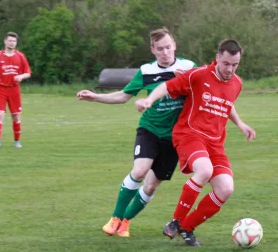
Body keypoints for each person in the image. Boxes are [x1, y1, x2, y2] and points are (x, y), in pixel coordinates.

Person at [77, 28, 197, 238]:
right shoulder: (147, 71)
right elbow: (124, 96)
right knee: (140, 171)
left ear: (175, 45)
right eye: (160, 49)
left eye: (168, 47)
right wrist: (95, 97)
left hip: (174, 137)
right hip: (149, 129)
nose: (165, 52)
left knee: (150, 186)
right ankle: (115, 218)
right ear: (152, 50)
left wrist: (189, 80)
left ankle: (126, 221)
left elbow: (204, 90)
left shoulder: (188, 67)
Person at [135, 39, 256, 247]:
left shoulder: (237, 83)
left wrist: (241, 124)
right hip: (189, 134)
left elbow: (226, 104)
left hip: (215, 143)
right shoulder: (198, 75)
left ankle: (187, 227)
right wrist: (149, 100)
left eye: (235, 65)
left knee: (226, 188)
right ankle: (175, 221)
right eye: (226, 63)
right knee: (204, 170)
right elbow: (167, 86)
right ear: (217, 58)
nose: (230, 69)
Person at [0, 32, 31, 148]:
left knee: (15, 116)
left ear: (16, 43)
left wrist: (21, 76)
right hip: (0, 89)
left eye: (14, 41)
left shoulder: (20, 56)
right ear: (5, 41)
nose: (12, 43)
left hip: (14, 90)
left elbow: (28, 73)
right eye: (10, 41)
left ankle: (17, 141)